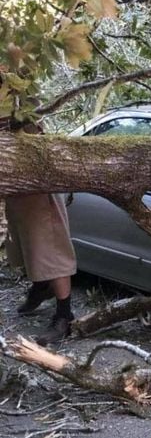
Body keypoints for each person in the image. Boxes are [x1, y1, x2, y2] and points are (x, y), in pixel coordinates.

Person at [2, 112, 77, 344]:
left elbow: (32, 133)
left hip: (37, 185)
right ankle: (41, 287)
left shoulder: (20, 101)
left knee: (52, 249)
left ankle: (65, 317)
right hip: (17, 187)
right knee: (29, 244)